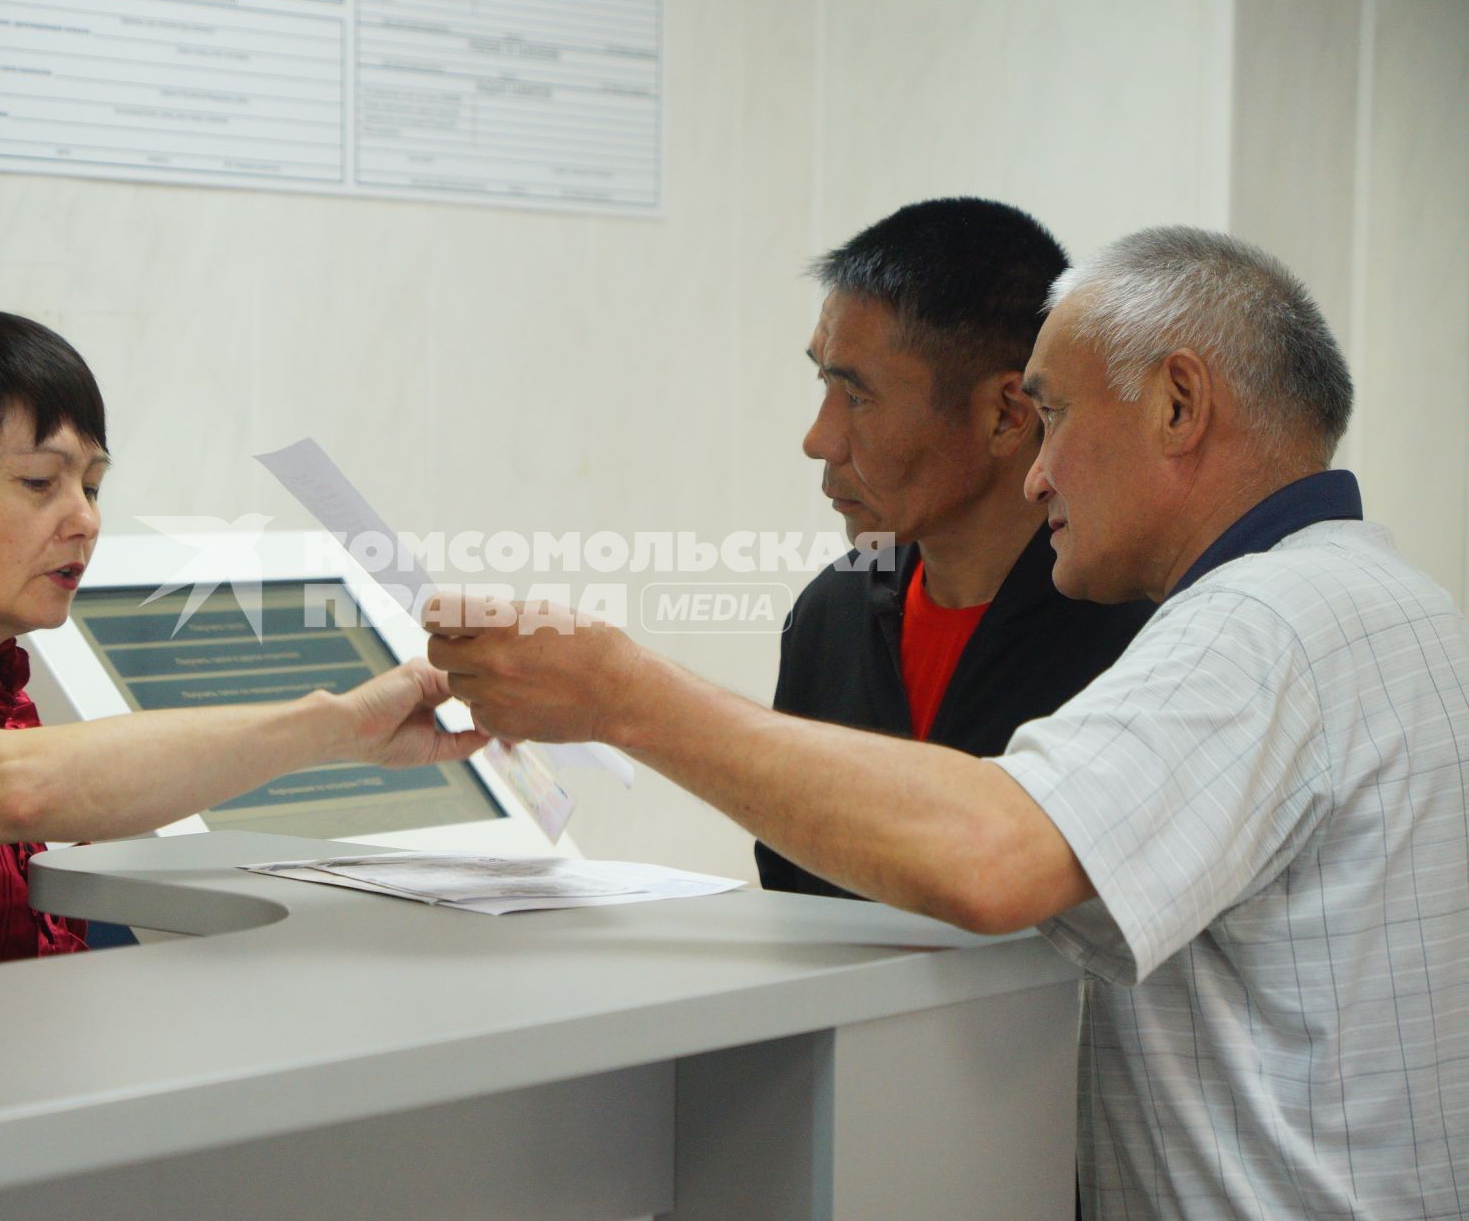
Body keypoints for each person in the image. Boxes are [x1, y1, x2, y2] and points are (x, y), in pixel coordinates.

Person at [425, 227, 1469, 1216]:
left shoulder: (1258, 620)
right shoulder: (1393, 603)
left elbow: (990, 854)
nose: (1036, 470)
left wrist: (620, 694)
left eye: (1053, 414)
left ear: (1175, 403)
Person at [0, 310, 482, 999]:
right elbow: (15, 790)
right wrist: (336, 728)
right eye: (41, 482)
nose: (85, 520)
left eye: (93, 487)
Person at [763, 197, 1151, 898]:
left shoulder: (1134, 635)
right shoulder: (832, 615)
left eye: (855, 396)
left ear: (1007, 414)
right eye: (824, 381)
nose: (819, 439)